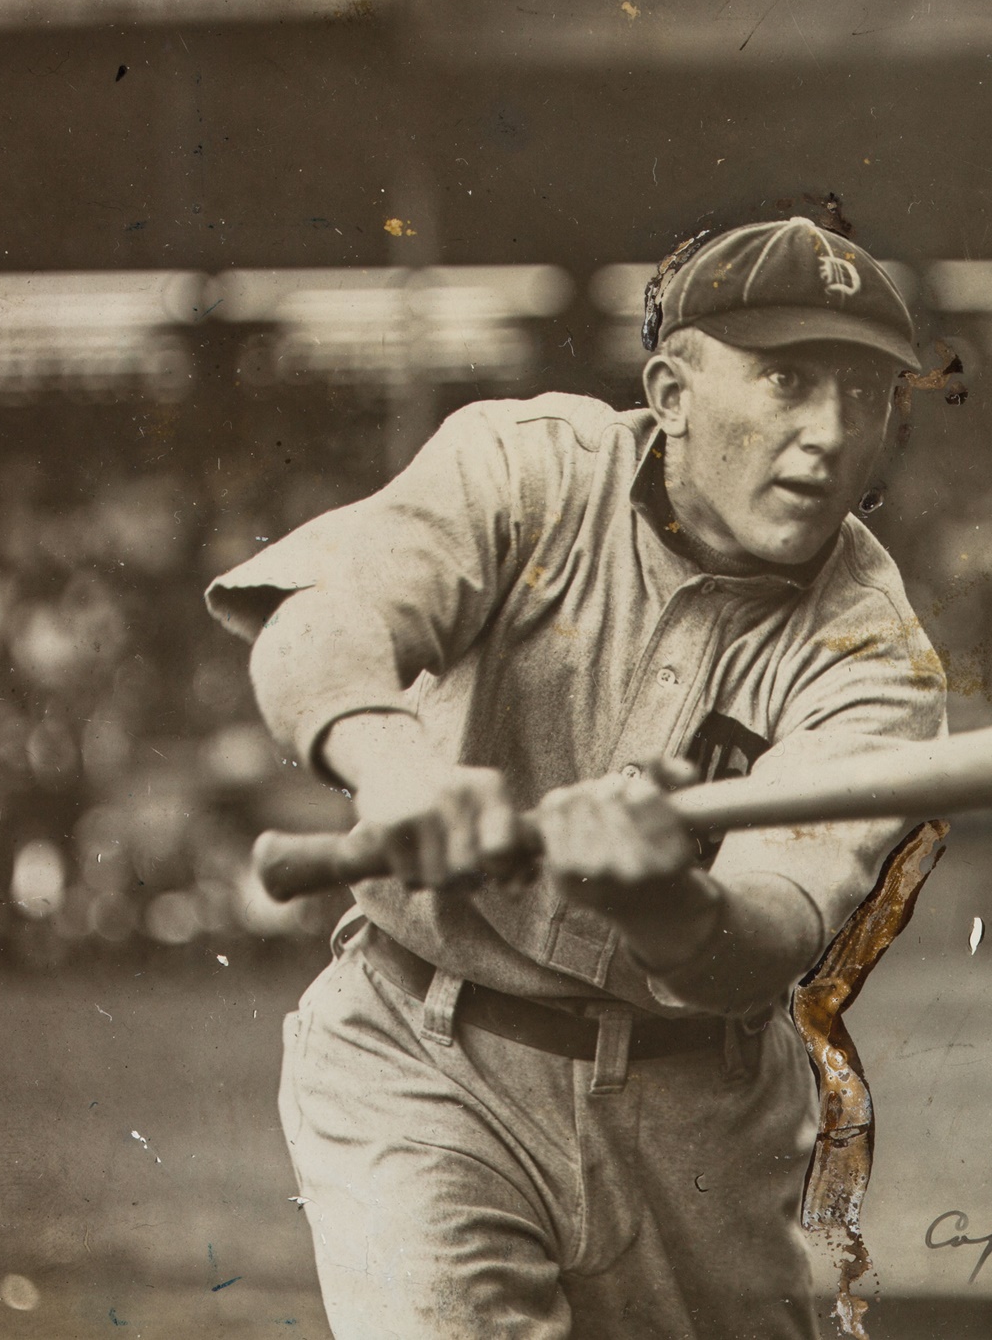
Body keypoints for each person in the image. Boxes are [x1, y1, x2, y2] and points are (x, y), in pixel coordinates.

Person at [205, 217, 946, 1339]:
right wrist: (395, 767)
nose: (829, 433)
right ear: (672, 389)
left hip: (703, 1128)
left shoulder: (872, 651)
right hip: (426, 1057)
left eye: (865, 394)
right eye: (788, 379)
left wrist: (660, 899)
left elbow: (774, 927)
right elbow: (320, 627)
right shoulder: (524, 467)